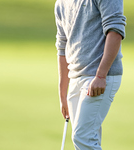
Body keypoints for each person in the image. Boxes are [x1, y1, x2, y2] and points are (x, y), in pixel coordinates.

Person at [54, 0, 126, 149]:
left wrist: (101, 76)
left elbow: (115, 31)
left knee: (82, 138)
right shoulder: (61, 3)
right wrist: (63, 94)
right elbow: (62, 46)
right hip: (75, 77)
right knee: (88, 140)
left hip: (99, 77)